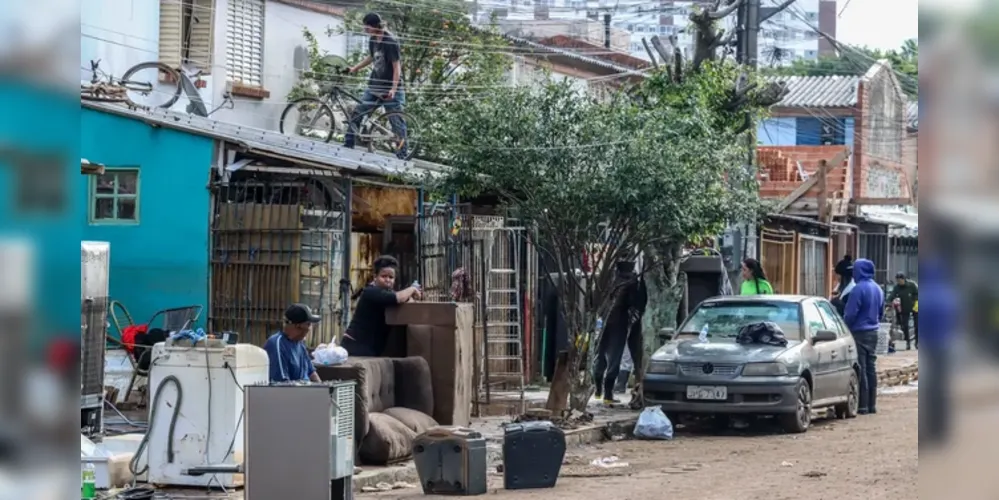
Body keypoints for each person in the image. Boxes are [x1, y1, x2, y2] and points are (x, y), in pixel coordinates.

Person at [344, 12, 408, 159]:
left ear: (374, 26)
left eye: (366, 26)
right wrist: (355, 68)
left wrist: (393, 88)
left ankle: (402, 154)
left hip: (392, 89)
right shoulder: (373, 39)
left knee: (396, 122)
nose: (364, 29)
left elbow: (397, 67)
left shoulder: (390, 41)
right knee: (358, 112)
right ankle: (348, 143)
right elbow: (372, 57)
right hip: (375, 86)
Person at [341, 255, 422, 357]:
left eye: (391, 277)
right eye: (383, 276)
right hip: (356, 346)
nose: (387, 280)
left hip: (369, 348)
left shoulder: (387, 294)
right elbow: (397, 298)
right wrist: (412, 289)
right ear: (375, 277)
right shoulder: (371, 292)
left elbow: (401, 301)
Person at [592, 261, 642, 404]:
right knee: (615, 358)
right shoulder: (631, 282)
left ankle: (597, 390)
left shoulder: (607, 280)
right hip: (619, 322)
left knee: (600, 354)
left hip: (602, 320)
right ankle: (608, 394)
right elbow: (634, 302)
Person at [842, 259, 885, 415]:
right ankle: (872, 405)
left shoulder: (858, 289)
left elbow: (851, 313)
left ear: (860, 271)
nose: (853, 273)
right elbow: (881, 312)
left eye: (855, 270)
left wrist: (845, 326)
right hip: (873, 332)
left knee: (861, 368)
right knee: (871, 368)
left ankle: (863, 406)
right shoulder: (878, 289)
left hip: (859, 332)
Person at [264, 303, 323, 383]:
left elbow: (311, 373)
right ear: (298, 326)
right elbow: (282, 384)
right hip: (293, 393)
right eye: (308, 324)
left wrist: (324, 391)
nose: (310, 329)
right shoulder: (277, 344)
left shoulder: (300, 344)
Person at [888, 272, 919, 350]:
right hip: (905, 307)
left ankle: (917, 342)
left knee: (917, 325)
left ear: (904, 279)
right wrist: (888, 302)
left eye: (900, 280)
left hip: (915, 306)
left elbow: (917, 294)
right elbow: (892, 295)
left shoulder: (912, 285)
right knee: (905, 325)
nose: (899, 282)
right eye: (897, 280)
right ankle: (907, 342)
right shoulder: (897, 287)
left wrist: (916, 302)